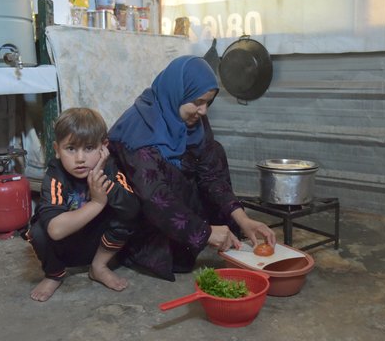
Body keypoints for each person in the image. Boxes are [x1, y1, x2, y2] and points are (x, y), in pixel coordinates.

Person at [108, 55, 276, 281]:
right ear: (177, 93)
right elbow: (154, 196)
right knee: (170, 174)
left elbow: (211, 174)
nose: (204, 111)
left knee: (213, 150)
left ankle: (214, 233)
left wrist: (242, 219)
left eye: (208, 102)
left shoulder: (192, 120)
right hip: (140, 214)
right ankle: (153, 250)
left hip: (171, 203)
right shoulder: (140, 129)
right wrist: (204, 233)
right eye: (198, 102)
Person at [27, 107, 140, 301]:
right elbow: (55, 230)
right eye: (71, 149)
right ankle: (54, 274)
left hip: (100, 247)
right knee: (38, 231)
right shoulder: (55, 175)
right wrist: (96, 202)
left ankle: (98, 267)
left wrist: (106, 182)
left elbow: (132, 210)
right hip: (65, 248)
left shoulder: (111, 169)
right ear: (57, 150)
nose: (80, 159)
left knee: (125, 214)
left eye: (89, 148)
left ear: (103, 147)